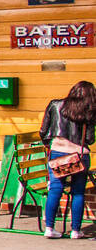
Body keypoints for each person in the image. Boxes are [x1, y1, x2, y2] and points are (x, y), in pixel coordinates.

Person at [39, 81, 96, 239]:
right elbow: (90, 139)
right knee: (78, 192)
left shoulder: (55, 105)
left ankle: (49, 229)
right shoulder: (89, 111)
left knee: (55, 190)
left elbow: (43, 131)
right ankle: (76, 231)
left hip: (58, 153)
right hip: (79, 156)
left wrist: (51, 144)